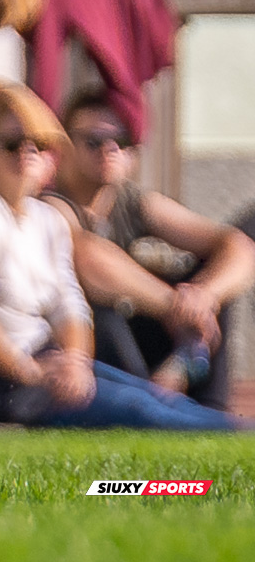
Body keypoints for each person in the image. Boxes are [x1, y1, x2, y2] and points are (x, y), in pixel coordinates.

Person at [0, 102, 242, 430]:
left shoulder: (45, 220)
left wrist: (76, 363)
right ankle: (235, 441)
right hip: (3, 384)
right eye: (11, 144)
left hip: (53, 362)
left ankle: (233, 435)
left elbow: (70, 306)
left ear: (51, 157)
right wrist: (29, 371)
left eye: (38, 145)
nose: (25, 153)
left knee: (157, 399)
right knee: (141, 408)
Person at [44, 91, 255, 409]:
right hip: (75, 346)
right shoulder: (51, 203)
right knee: (102, 307)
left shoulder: (132, 200)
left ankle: (212, 410)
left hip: (144, 333)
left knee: (213, 274)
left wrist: (204, 296)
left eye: (122, 140)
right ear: (65, 147)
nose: (110, 150)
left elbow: (238, 247)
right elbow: (88, 258)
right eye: (93, 141)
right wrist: (176, 306)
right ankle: (150, 402)